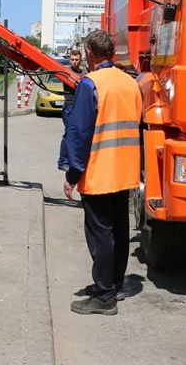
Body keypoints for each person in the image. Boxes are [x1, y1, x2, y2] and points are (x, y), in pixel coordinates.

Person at [62, 30, 142, 316]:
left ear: (90, 53)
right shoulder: (130, 83)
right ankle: (116, 285)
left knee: (100, 234)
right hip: (126, 169)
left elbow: (80, 132)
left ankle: (104, 295)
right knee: (119, 229)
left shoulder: (90, 84)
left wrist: (72, 174)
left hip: (100, 171)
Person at [57, 49, 85, 171]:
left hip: (79, 107)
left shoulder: (84, 73)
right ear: (70, 60)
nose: (74, 62)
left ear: (80, 59)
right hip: (70, 106)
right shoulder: (67, 73)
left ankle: (74, 160)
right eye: (72, 59)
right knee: (69, 134)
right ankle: (63, 161)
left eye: (76, 60)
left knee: (77, 135)